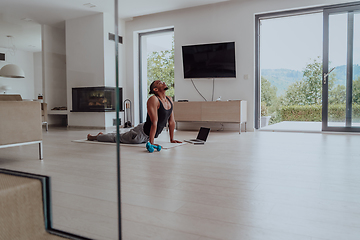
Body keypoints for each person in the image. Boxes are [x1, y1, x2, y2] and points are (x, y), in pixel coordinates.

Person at [87, 80, 182, 145]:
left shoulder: (169, 99)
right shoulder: (153, 99)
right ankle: (95, 137)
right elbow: (154, 122)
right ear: (155, 90)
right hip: (140, 135)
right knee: (117, 138)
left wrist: (172, 139)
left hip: (147, 136)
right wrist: (152, 142)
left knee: (121, 135)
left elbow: (171, 122)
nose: (163, 82)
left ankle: (102, 135)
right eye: (159, 83)